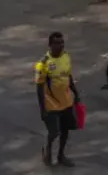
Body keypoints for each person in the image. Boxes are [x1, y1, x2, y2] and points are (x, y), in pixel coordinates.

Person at [35, 31, 80, 167]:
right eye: (57, 43)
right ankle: (47, 149)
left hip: (66, 101)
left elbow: (69, 76)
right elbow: (39, 87)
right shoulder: (43, 64)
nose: (60, 46)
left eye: (62, 43)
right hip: (51, 104)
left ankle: (61, 155)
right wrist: (42, 109)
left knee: (65, 130)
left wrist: (76, 94)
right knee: (54, 132)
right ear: (50, 45)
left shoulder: (66, 57)